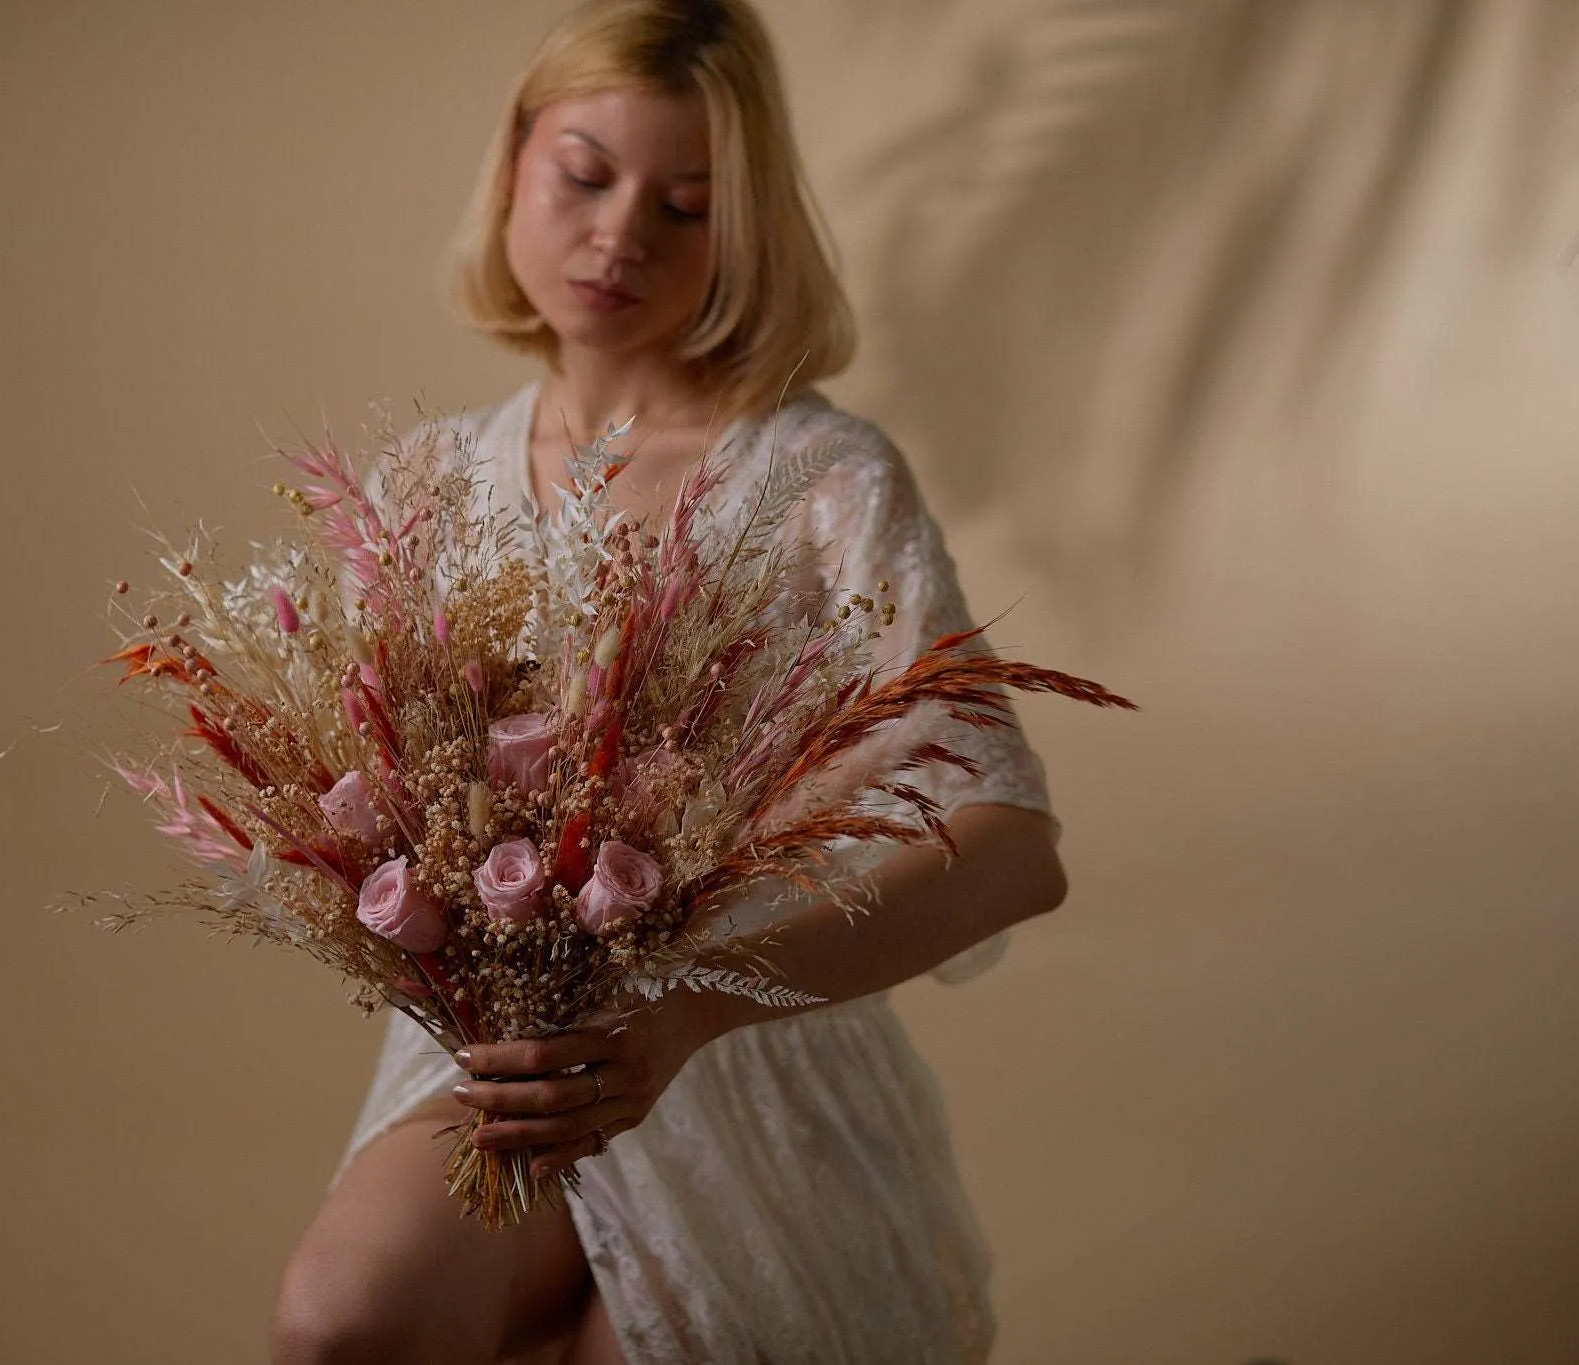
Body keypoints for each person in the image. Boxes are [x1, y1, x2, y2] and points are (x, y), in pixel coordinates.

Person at [270, 2, 1067, 1361]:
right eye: (585, 176)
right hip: (511, 1060)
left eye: (687, 205)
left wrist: (693, 1005)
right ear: (515, 167)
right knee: (345, 1325)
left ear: (745, 232)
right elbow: (361, 815)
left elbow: (1012, 848)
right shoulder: (427, 486)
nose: (621, 233)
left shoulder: (817, 477)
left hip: (750, 1051)